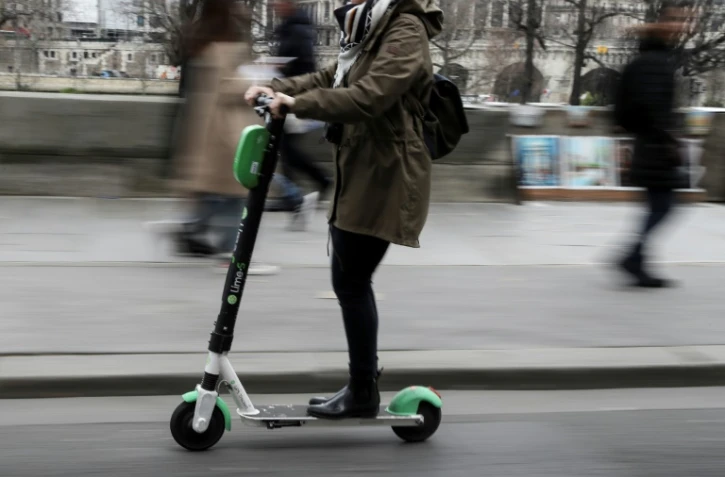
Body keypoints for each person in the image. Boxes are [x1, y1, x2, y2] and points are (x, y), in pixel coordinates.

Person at [245, 0, 443, 419]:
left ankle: (362, 391)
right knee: (350, 280)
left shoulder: (405, 28)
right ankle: (361, 387)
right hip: (362, 169)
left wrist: (296, 105)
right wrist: (280, 87)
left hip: (388, 175)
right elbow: (330, 77)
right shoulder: (368, 27)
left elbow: (370, 97)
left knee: (352, 281)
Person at [154, 0, 278, 275]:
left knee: (216, 195)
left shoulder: (202, 37)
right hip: (226, 131)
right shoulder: (226, 43)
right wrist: (260, 79)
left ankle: (184, 228)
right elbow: (226, 87)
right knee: (236, 194)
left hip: (208, 130)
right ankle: (231, 255)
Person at [613, 0, 691, 288]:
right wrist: (668, 139)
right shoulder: (655, 63)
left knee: (659, 205)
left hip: (648, 143)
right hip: (656, 147)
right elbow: (652, 106)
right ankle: (632, 257)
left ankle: (635, 258)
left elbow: (624, 109)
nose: (681, 26)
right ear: (661, 24)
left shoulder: (645, 60)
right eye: (675, 20)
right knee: (664, 205)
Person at [269, 0, 332, 230]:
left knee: (286, 149)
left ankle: (316, 183)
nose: (273, 6)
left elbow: (305, 65)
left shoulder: (298, 29)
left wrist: (279, 70)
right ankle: (294, 196)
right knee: (285, 149)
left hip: (295, 98)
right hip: (288, 93)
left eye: (277, 2)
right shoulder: (291, 26)